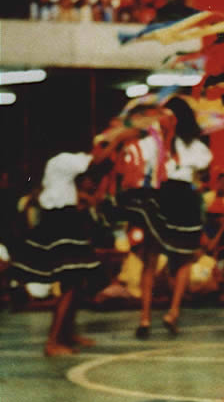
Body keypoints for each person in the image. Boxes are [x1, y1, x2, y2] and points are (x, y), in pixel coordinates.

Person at [9, 128, 134, 355]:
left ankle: (67, 334)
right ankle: (53, 341)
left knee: (74, 281)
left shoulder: (65, 166)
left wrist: (117, 145)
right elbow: (97, 159)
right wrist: (118, 138)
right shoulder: (64, 160)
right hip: (60, 223)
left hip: (65, 221)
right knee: (71, 281)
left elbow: (97, 169)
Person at [115, 97, 212, 338]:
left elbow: (202, 166)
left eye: (169, 115)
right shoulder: (150, 143)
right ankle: (145, 318)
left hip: (186, 200)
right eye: (161, 115)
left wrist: (175, 151)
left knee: (184, 258)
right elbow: (137, 163)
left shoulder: (194, 145)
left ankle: (173, 312)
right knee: (150, 257)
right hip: (160, 198)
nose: (164, 119)